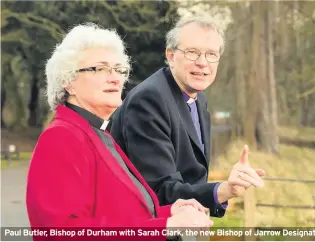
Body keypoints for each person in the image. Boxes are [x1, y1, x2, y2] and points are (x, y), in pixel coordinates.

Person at [26, 23, 213, 241]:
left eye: (119, 69)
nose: (116, 78)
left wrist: (169, 212)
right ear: (68, 81)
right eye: (100, 68)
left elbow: (124, 216)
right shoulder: (61, 137)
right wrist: (166, 227)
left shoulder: (100, 134)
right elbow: (61, 233)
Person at [110, 15, 265, 219]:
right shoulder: (150, 100)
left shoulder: (198, 99)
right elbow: (160, 192)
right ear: (171, 55)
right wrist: (224, 190)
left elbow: (193, 178)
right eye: (192, 52)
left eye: (211, 54)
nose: (202, 63)